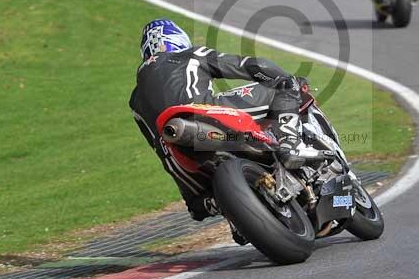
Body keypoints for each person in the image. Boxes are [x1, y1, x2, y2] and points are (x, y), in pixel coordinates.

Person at [129, 18, 307, 222]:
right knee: (285, 85)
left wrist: (195, 200)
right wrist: (281, 78)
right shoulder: (189, 55)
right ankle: (290, 142)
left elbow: (156, 146)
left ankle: (214, 203)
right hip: (205, 113)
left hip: (177, 147)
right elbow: (248, 65)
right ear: (176, 40)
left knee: (195, 202)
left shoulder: (134, 101)